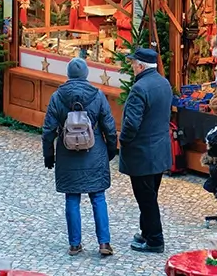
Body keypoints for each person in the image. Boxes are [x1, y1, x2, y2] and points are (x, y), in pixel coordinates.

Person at [42, 58, 118, 257]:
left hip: (67, 153)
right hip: (95, 151)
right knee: (98, 197)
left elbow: (48, 130)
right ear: (86, 74)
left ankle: (75, 244)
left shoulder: (57, 96)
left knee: (72, 198)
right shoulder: (98, 95)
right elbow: (109, 126)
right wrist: (111, 149)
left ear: (68, 74)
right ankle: (104, 243)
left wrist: (48, 154)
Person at [119, 48, 173, 253]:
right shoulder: (164, 83)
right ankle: (147, 232)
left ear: (140, 66)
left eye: (133, 63)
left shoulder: (139, 89)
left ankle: (155, 240)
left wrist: (123, 141)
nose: (132, 66)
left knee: (146, 198)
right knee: (150, 194)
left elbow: (132, 124)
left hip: (142, 153)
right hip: (160, 151)